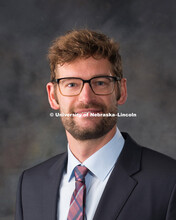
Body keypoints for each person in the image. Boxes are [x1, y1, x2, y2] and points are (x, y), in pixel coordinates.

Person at [15, 29, 176, 220]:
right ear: (53, 96)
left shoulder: (169, 181)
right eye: (71, 84)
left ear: (121, 90)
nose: (86, 98)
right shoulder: (30, 184)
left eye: (100, 83)